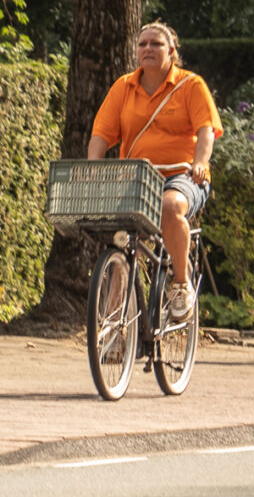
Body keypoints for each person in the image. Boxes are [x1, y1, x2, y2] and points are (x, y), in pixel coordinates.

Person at [88, 21, 222, 321]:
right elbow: (101, 134)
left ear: (171, 51)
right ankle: (112, 324)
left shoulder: (191, 85)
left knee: (170, 205)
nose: (148, 48)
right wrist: (93, 168)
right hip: (136, 178)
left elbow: (206, 131)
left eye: (156, 44)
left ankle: (180, 284)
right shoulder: (123, 87)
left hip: (182, 175)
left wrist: (200, 163)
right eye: (142, 44)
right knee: (121, 240)